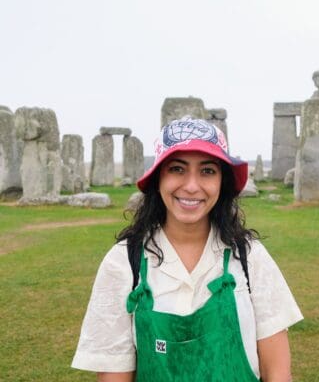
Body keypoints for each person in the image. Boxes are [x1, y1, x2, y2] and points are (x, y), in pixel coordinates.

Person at [72, 117, 303, 381]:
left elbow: (277, 373)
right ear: (158, 178)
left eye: (207, 171)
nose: (192, 186)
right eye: (177, 169)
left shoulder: (250, 257)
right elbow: (115, 375)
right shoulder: (124, 262)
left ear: (221, 182)